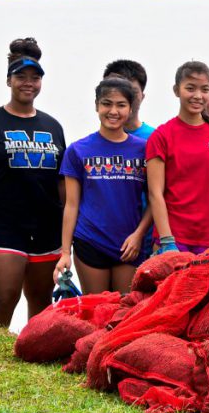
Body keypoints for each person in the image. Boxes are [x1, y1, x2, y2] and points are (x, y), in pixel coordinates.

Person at [0, 38, 67, 326]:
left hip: (48, 228)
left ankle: (33, 354)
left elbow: (62, 183)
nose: (28, 83)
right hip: (3, 226)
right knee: (4, 297)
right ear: (8, 80)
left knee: (42, 301)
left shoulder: (53, 126)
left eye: (35, 78)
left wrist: (71, 227)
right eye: (21, 76)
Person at [56, 74, 149, 295]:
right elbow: (71, 205)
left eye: (121, 105)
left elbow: (156, 198)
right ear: (97, 106)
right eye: (106, 104)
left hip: (129, 244)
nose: (113, 111)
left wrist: (139, 235)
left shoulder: (144, 149)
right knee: (95, 310)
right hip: (90, 240)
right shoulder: (77, 150)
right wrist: (65, 252)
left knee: (123, 312)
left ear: (130, 108)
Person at [144, 61, 209, 256]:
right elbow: (155, 193)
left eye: (205, 90)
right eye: (190, 88)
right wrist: (167, 240)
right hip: (173, 239)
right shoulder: (161, 136)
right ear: (176, 90)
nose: (198, 96)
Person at [103, 59, 153, 141]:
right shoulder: (89, 146)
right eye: (117, 92)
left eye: (133, 92)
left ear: (142, 97)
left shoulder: (156, 139)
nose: (125, 99)